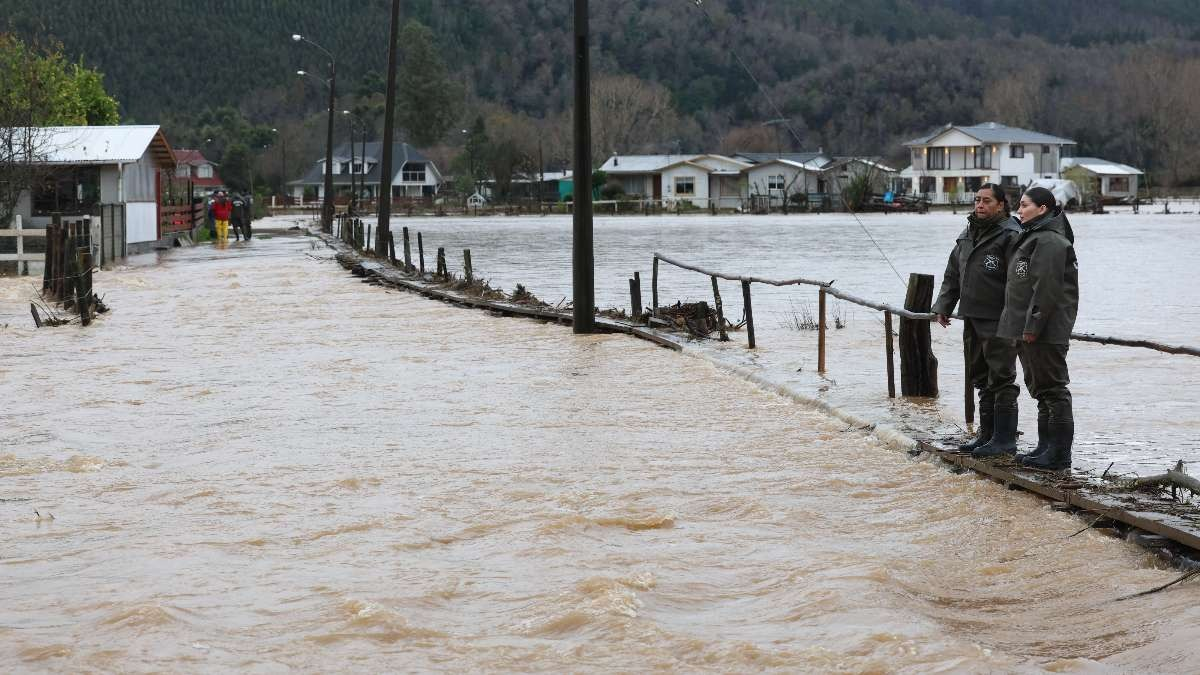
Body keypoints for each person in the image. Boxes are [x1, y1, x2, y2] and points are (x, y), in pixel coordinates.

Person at [933, 184, 1022, 457]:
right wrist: (944, 305)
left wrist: (1014, 316)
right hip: (971, 315)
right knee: (980, 375)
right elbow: (953, 273)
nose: (979, 205)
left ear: (1001, 205)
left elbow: (1019, 281)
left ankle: (1005, 439)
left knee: (1001, 377)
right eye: (976, 200)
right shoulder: (968, 233)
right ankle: (986, 435)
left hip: (999, 318)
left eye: (986, 201)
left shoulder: (1011, 234)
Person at [998, 187, 1079, 471]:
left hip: (1045, 330)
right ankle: (1045, 448)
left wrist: (1032, 326)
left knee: (1054, 391)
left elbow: (1045, 289)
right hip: (1028, 329)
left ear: (1042, 209)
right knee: (1041, 391)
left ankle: (1058, 456)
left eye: (1024, 205)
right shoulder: (1032, 237)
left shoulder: (1049, 242)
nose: (1019, 210)